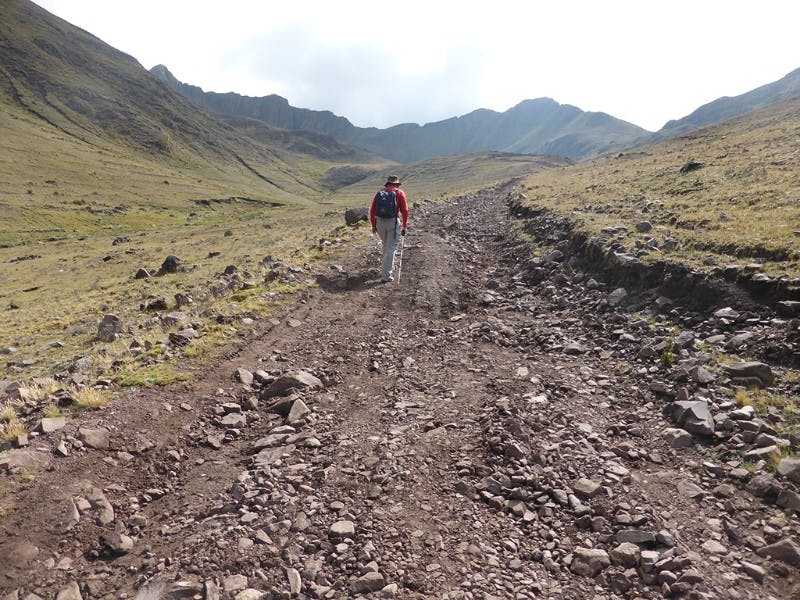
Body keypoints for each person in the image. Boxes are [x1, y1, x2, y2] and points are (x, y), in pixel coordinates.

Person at [370, 175, 409, 282]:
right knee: (391, 249)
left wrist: (373, 225)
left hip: (380, 223)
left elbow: (372, 211)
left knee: (386, 246)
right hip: (392, 222)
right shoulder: (400, 193)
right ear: (396, 184)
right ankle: (386, 275)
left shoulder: (380, 193)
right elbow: (405, 210)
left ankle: (385, 268)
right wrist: (404, 226)